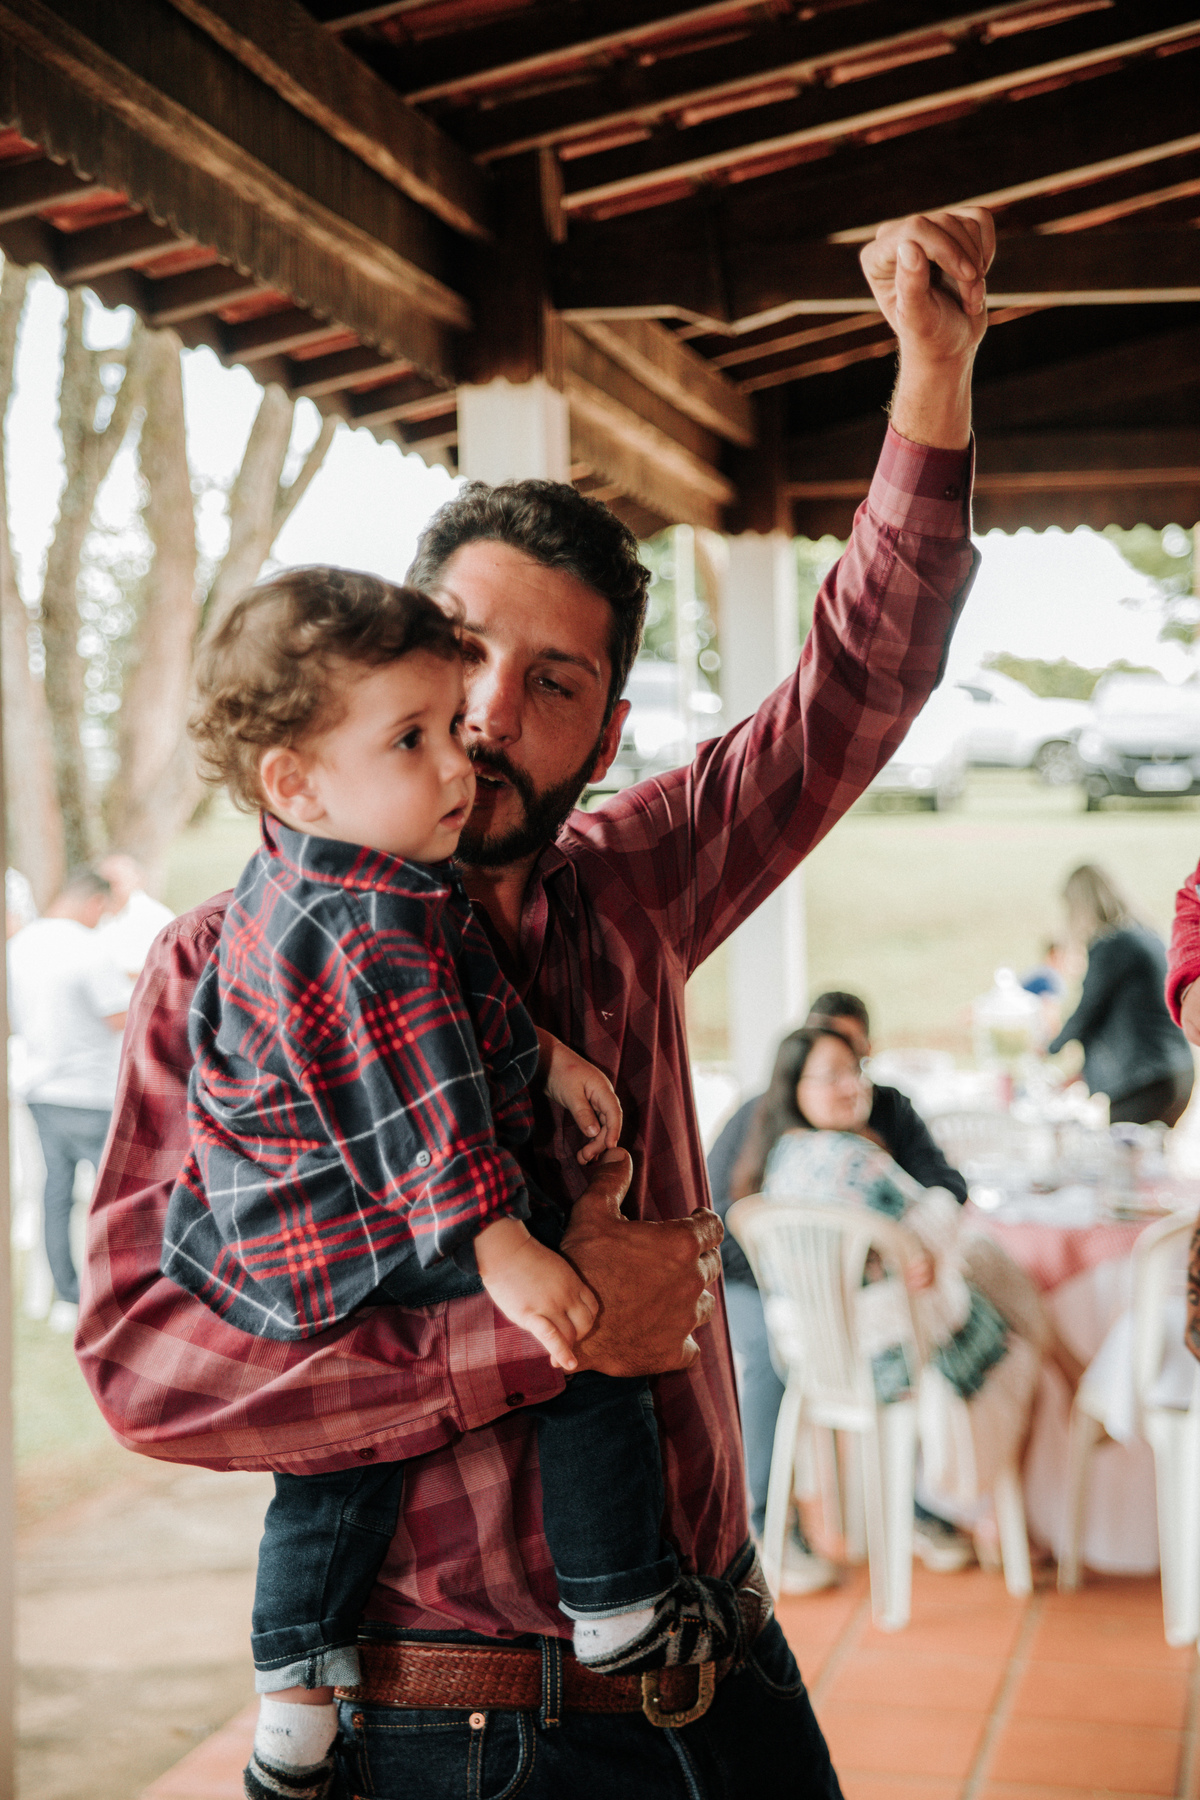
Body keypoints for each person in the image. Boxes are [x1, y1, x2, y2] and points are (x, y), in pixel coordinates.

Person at [78, 206, 993, 1800]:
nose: (494, 719)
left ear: (605, 721)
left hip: (732, 1669)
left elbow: (861, 672)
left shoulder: (640, 883)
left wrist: (932, 362)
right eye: (463, 659)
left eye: (554, 683)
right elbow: (150, 1362)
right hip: (454, 1726)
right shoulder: (222, 966)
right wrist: (546, 1331)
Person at [166, 571, 748, 1800]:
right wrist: (512, 1255)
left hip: (296, 1237)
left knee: (334, 1473)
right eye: (414, 738)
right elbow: (422, 1114)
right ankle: (616, 1601)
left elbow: (458, 1023)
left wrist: (542, 1052)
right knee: (583, 1345)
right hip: (354, 1226)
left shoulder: (335, 885)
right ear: (295, 780)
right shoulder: (365, 924)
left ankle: (292, 1701)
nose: (460, 760)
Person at [708, 994, 974, 1583]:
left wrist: (910, 1244)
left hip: (868, 1285)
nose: (845, 1080)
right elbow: (716, 1218)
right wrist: (800, 1275)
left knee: (933, 1317)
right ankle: (768, 1521)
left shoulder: (888, 1109)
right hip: (753, 1278)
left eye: (852, 1062)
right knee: (769, 1363)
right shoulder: (759, 1116)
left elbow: (945, 1182)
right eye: (825, 1064)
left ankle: (915, 1504)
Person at [732, 1026, 1045, 1517]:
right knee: (1017, 1343)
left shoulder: (779, 1161)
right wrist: (925, 1242)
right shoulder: (857, 1161)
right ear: (796, 1087)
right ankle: (995, 1517)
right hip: (885, 1358)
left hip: (811, 1357)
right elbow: (932, 1221)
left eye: (855, 1070)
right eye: (831, 1076)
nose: (852, 1086)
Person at [8, 867, 132, 1318]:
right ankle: (114, 1291)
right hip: (90, 1091)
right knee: (114, 1197)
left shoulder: (20, 946)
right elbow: (118, 1014)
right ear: (93, 904)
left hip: (41, 1086)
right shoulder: (89, 948)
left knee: (56, 1193)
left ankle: (65, 1294)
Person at [1048, 865, 1193, 1126]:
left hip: (1142, 1081)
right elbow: (1128, 1018)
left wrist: (1048, 1047)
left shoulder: (1112, 945)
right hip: (1176, 1073)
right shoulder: (1146, 935)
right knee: (1150, 1160)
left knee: (1124, 1162)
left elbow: (1088, 1012)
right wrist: (1081, 1073)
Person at [96, 853, 174, 979]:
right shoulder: (94, 916)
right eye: (103, 882)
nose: (108, 888)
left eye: (115, 882)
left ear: (139, 879)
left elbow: (165, 969)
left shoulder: (157, 917)